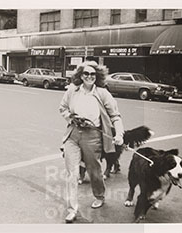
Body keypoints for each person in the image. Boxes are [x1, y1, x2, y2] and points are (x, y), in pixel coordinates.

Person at [59, 61, 124, 223]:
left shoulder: (102, 93)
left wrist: (120, 134)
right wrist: (72, 118)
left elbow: (116, 116)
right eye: (86, 74)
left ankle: (100, 195)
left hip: (93, 136)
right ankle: (72, 209)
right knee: (72, 174)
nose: (89, 77)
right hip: (73, 135)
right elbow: (63, 108)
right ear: (80, 76)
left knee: (94, 171)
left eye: (92, 74)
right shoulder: (72, 91)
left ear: (97, 76)